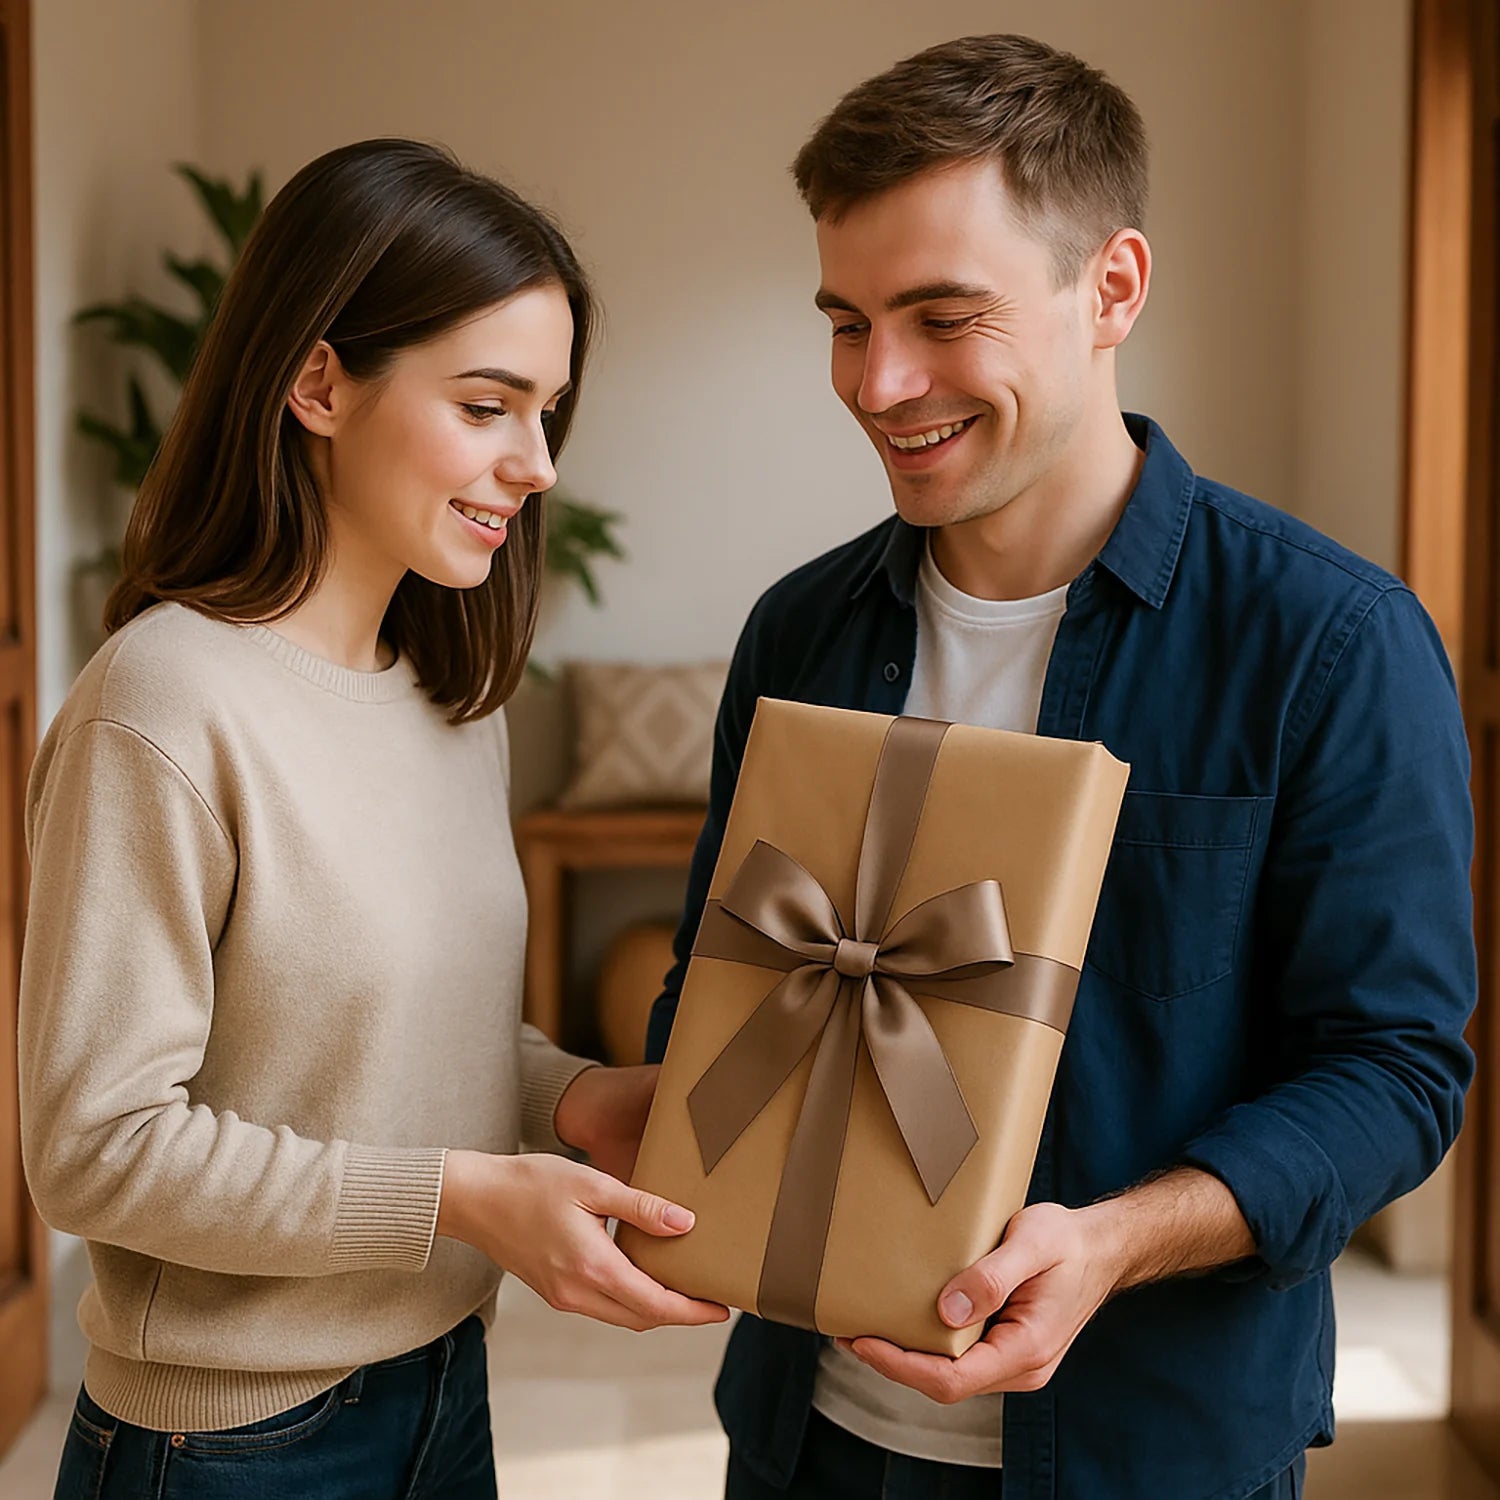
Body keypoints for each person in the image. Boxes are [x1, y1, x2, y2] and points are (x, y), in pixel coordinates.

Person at [646, 34, 1476, 1500]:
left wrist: (1110, 1241)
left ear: (1113, 288)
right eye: (845, 321)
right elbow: (714, 988)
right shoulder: (802, 629)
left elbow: (1395, 1071)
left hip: (1153, 1451)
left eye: (942, 317)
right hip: (808, 1442)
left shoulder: (1330, 641)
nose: (881, 383)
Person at [23, 137, 726, 1500]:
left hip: (442, 1391)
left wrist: (576, 1100)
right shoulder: (162, 706)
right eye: (486, 405)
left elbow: (398, 1046)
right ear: (319, 381)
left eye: (548, 414)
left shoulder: (450, 694)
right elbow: (95, 1150)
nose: (536, 467)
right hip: (222, 1445)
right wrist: (465, 1200)